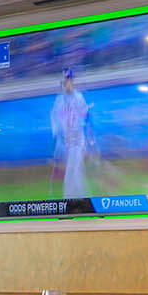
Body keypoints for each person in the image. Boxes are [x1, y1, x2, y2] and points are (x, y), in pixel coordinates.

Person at [50, 68, 93, 200]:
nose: (67, 83)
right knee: (77, 169)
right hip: (65, 140)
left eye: (69, 80)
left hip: (77, 137)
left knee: (72, 169)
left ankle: (69, 199)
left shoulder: (78, 97)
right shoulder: (59, 100)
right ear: (62, 83)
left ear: (72, 81)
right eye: (65, 80)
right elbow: (55, 121)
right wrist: (57, 140)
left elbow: (86, 116)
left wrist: (89, 138)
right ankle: (83, 198)